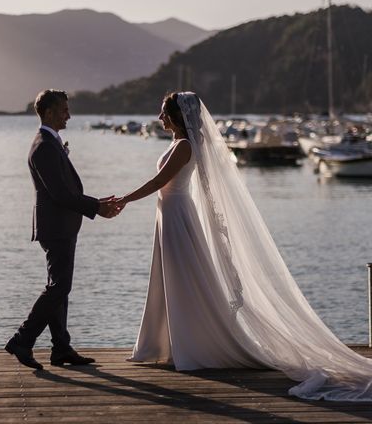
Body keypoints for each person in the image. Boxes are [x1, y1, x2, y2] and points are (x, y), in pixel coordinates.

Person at [115, 91, 372, 401]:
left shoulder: (184, 146)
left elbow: (159, 183)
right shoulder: (178, 143)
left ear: (178, 116)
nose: (159, 119)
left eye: (164, 113)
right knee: (170, 278)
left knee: (183, 277)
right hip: (168, 214)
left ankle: (192, 342)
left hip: (178, 215)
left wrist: (124, 199)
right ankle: (169, 341)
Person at [5, 89, 122, 370]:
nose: (68, 115)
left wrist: (96, 203)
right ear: (47, 113)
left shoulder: (50, 142)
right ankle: (22, 339)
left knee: (59, 287)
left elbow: (64, 190)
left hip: (61, 224)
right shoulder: (44, 145)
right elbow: (59, 193)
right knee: (60, 287)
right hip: (56, 226)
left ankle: (61, 348)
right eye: (63, 110)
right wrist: (96, 207)